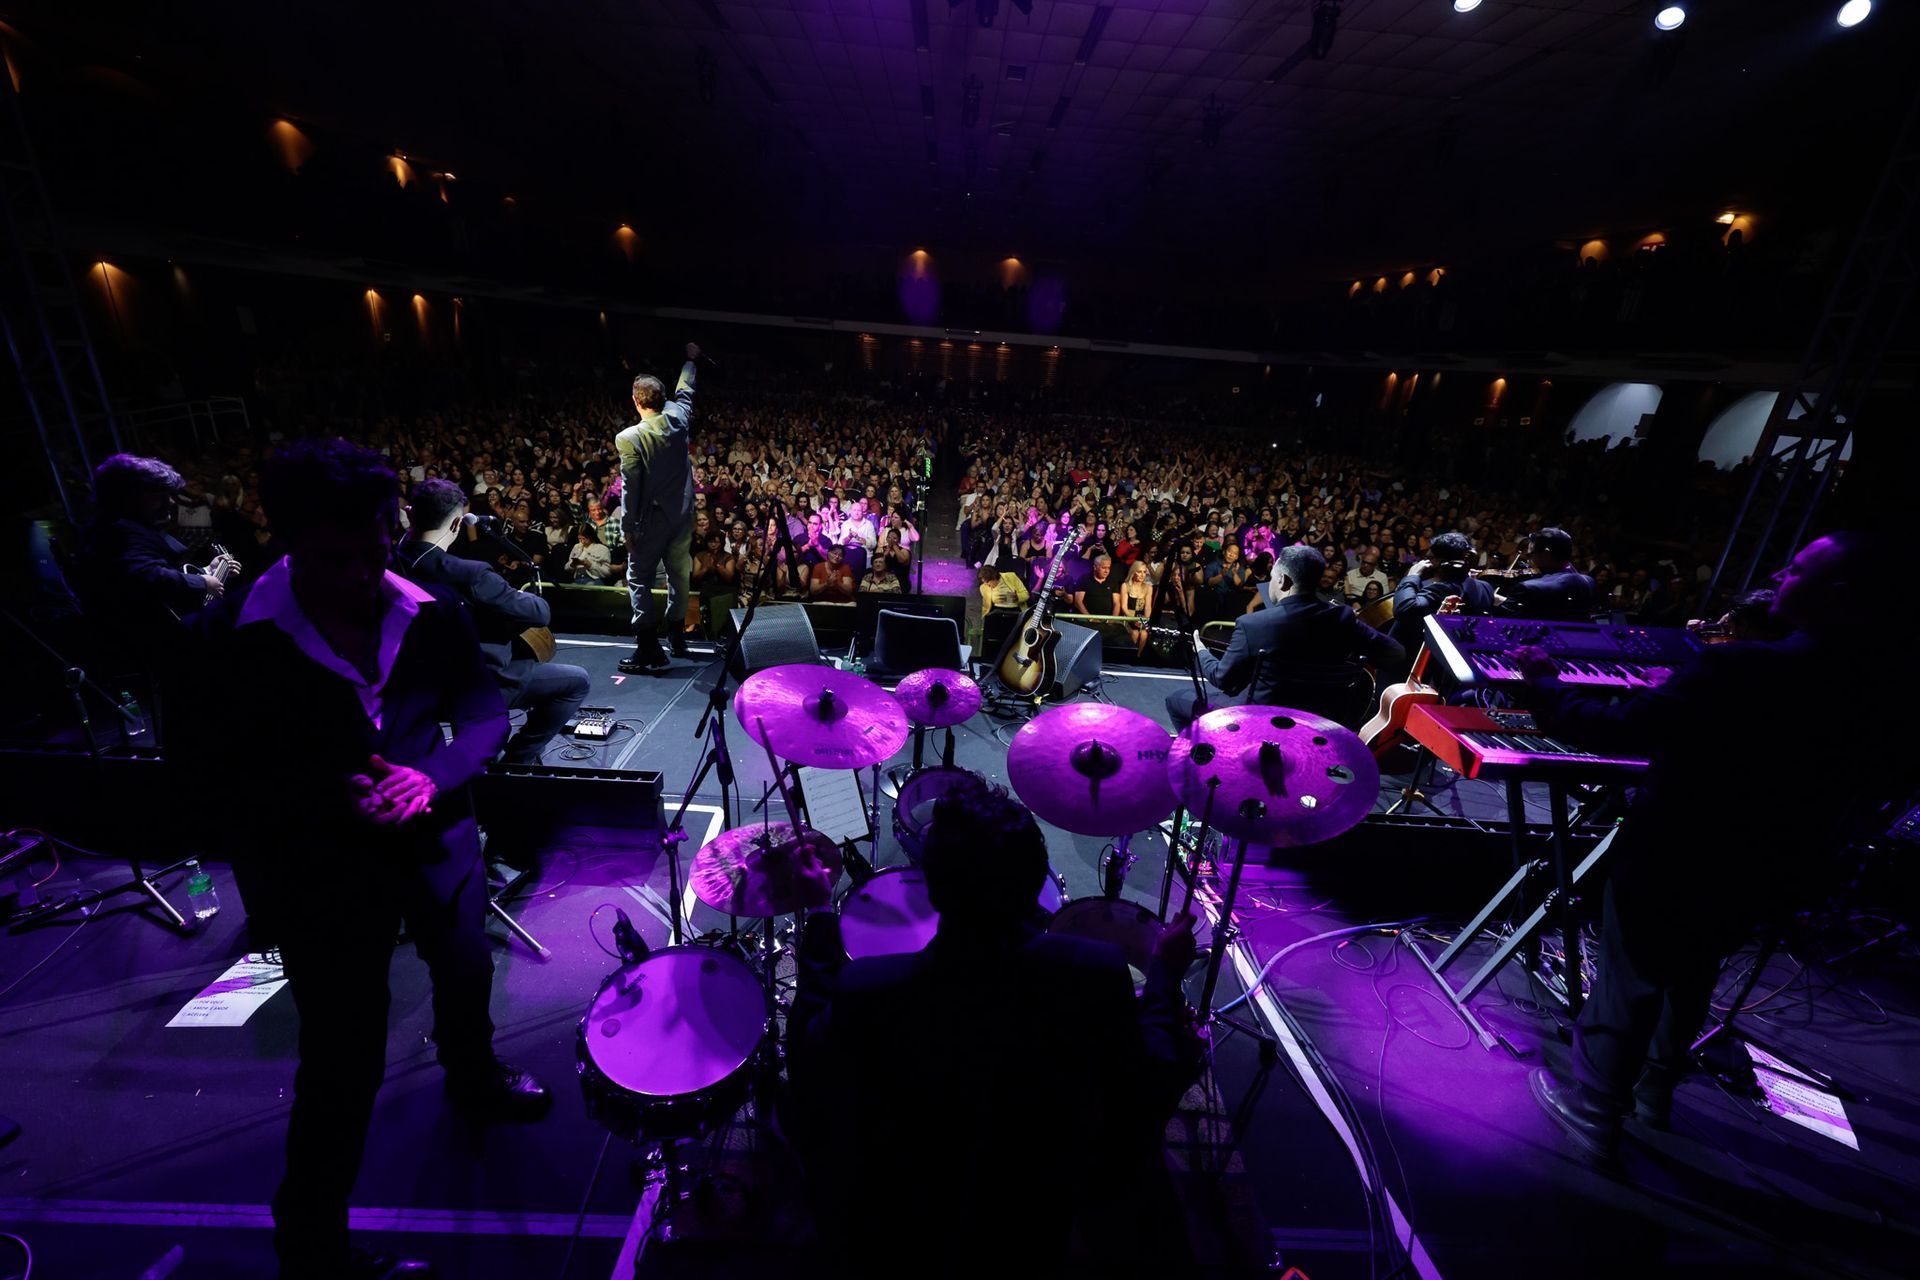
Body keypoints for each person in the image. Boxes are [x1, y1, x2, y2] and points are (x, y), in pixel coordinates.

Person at [189, 439, 548, 1280]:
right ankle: (311, 1248)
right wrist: (326, 796)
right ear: (285, 540)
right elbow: (204, 779)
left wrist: (432, 775)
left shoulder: (430, 609)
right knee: (343, 1056)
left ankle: (474, 1076)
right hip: (320, 870)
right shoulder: (226, 637)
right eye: (334, 557)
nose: (360, 574)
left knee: (465, 972)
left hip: (435, 841)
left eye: (375, 549)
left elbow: (486, 713)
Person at [1517, 533, 1905, 1159]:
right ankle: (1654, 1095)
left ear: (1836, 595)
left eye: (1797, 568)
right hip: (1770, 867)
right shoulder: (1881, 691)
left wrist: (1544, 685)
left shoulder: (1743, 667)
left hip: (1679, 850)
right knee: (1693, 973)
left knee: (1632, 976)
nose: (1779, 574)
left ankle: (1593, 1113)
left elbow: (1616, 728)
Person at [789, 778, 1201, 1275]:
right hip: (1041, 1217)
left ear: (934, 891)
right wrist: (1163, 977)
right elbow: (1151, 1076)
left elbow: (808, 1061)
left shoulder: (868, 989)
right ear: (1034, 884)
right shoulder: (1094, 971)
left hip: (905, 1220)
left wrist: (817, 914)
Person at [394, 479, 590, 765]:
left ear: (410, 513)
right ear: (456, 524)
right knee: (576, 681)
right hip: (476, 683)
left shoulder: (389, 564)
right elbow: (539, 613)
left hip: (410, 688)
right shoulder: (469, 574)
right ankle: (518, 760)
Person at [1168, 544, 1404, 730]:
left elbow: (1223, 679)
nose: (1270, 581)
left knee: (1177, 699)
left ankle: (1209, 759)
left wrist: (1200, 650)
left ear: (1283, 581)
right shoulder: (1342, 619)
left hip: (1259, 719)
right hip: (1320, 719)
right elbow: (1396, 654)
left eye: (1272, 576)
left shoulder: (1254, 624)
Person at [73, 452, 229, 641]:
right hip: (150, 637)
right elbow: (146, 574)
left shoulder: (121, 527)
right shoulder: (120, 531)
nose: (171, 501)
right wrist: (202, 582)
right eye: (160, 494)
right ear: (131, 496)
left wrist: (205, 570)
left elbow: (152, 570)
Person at [615, 343, 701, 673]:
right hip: (682, 515)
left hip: (651, 519)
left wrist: (628, 527)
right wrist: (690, 361)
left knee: (638, 578)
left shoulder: (630, 437)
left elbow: (631, 487)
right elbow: (686, 389)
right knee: (679, 576)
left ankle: (648, 647)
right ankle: (677, 636)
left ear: (636, 402)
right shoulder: (678, 417)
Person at [1390, 529, 1496, 653]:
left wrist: (1412, 576)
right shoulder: (1485, 587)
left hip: (1418, 661)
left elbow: (1405, 608)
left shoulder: (1443, 588)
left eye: (1432, 557)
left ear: (1439, 561)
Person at [1497, 527, 1597, 620]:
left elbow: (1504, 616)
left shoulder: (1527, 588)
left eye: (1530, 555)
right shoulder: (1588, 581)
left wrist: (1493, 599)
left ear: (1546, 554)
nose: (1529, 560)